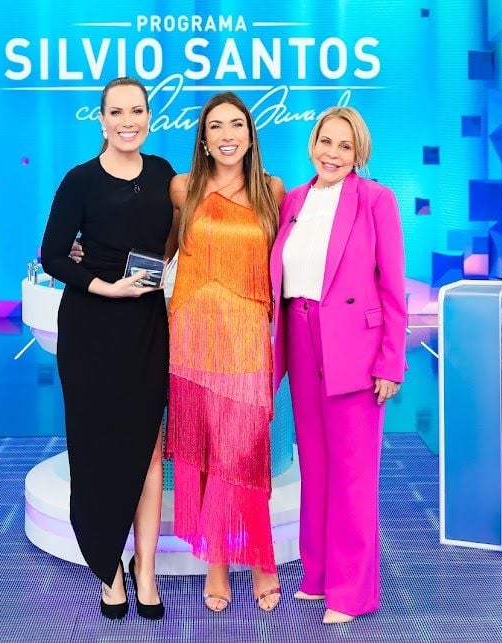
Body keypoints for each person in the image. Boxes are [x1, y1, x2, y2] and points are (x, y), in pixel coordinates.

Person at [40, 77, 173, 621]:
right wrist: (104, 286)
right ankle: (108, 567)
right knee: (96, 449)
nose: (127, 121)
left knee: (148, 451)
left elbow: (175, 240)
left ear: (149, 117)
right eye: (116, 112)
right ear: (101, 120)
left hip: (146, 328)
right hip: (91, 328)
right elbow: (52, 255)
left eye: (136, 111)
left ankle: (146, 570)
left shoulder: (163, 173)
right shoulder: (80, 180)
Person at [269, 106, 406, 624]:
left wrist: (390, 361)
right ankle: (320, 574)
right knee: (315, 466)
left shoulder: (376, 200)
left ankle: (352, 593)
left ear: (359, 154)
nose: (332, 153)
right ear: (313, 144)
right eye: (326, 142)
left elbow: (393, 285)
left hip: (355, 347)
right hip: (301, 336)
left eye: (344, 146)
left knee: (353, 473)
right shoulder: (294, 200)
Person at [164, 92, 286, 613]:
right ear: (203, 138)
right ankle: (216, 561)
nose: (227, 134)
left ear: (251, 136)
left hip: (246, 339)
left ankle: (261, 558)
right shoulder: (182, 188)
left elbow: (288, 261)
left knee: (245, 453)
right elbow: (161, 250)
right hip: (191, 340)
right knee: (210, 454)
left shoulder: (272, 190)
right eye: (216, 126)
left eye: (237, 124)